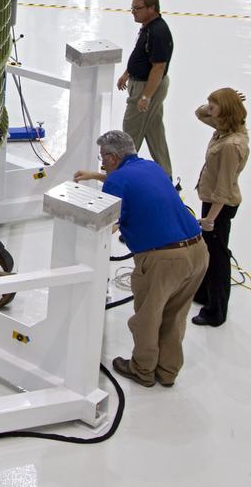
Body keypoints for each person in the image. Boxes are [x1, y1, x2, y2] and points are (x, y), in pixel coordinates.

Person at [75, 130, 206, 388]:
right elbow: (134, 184)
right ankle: (167, 371)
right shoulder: (151, 167)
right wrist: (95, 176)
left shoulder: (116, 181)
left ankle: (142, 369)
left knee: (148, 317)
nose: (102, 163)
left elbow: (107, 222)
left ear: (113, 157)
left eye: (103, 158)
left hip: (164, 260)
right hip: (198, 251)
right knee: (175, 315)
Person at [191, 88, 250, 328]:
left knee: (217, 258)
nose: (209, 109)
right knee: (208, 251)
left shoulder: (230, 145)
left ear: (224, 111)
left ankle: (215, 311)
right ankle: (204, 293)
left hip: (219, 207)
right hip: (212, 202)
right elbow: (199, 113)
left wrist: (210, 220)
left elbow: (224, 187)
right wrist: (219, 104)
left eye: (213, 106)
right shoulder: (224, 129)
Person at [117, 0, 173, 179]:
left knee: (130, 131)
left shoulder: (158, 32)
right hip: (141, 83)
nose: (133, 12)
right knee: (154, 131)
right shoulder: (147, 27)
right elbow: (140, 54)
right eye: (132, 8)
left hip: (147, 86)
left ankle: (122, 174)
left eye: (138, 8)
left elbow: (158, 67)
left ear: (152, 8)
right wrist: (127, 73)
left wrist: (145, 96)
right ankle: (166, 175)